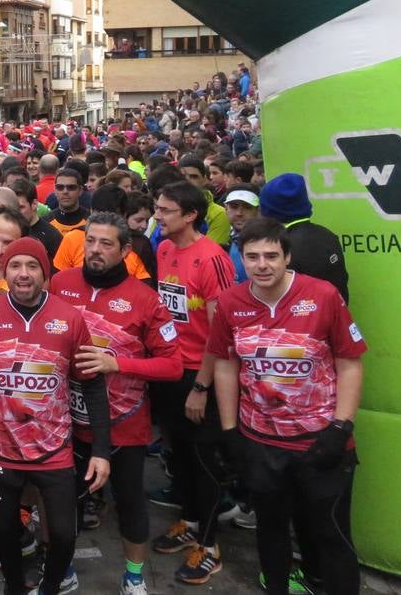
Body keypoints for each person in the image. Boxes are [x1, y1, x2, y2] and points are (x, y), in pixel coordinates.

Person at [209, 218, 365, 595]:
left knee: (330, 535)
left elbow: (350, 363)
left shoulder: (324, 295)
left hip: (320, 441)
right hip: (261, 442)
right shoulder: (231, 302)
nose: (262, 264)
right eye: (252, 257)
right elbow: (227, 365)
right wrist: (230, 431)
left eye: (271, 256)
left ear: (287, 257)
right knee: (271, 529)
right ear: (241, 259)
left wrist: (341, 426)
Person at [0, 237, 111, 595]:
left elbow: (93, 385)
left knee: (62, 533)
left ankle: (50, 587)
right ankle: (13, 586)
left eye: (32, 266)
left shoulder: (69, 319)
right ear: (4, 271)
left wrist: (101, 449)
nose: (23, 275)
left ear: (46, 273)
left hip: (54, 450)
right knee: (6, 530)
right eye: (15, 266)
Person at [53, 213, 183, 595]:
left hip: (125, 425)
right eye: (90, 241)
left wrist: (117, 364)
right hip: (66, 422)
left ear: (126, 250)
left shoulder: (146, 299)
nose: (94, 249)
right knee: (65, 505)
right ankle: (62, 567)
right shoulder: (61, 284)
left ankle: (134, 577)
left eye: (106, 243)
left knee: (129, 502)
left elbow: (173, 365)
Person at [150, 181, 235, 584]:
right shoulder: (164, 249)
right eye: (157, 208)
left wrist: (201, 387)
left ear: (190, 215)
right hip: (169, 370)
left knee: (203, 462)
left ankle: (210, 544)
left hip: (199, 376)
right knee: (178, 454)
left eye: (166, 210)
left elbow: (222, 332)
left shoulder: (213, 258)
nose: (157, 216)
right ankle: (188, 521)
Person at [259, 173, 350, 303]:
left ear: (268, 211)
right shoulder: (327, 235)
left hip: (303, 320)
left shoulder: (282, 246)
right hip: (336, 315)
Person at [223, 187, 260, 283]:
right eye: (234, 207)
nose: (239, 213)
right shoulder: (231, 238)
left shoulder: (268, 242)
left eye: (247, 207)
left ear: (258, 211)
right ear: (226, 209)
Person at [44, 168, 90, 235]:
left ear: (80, 190)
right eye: (60, 187)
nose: (65, 191)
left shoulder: (90, 221)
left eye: (71, 187)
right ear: (55, 190)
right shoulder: (46, 222)